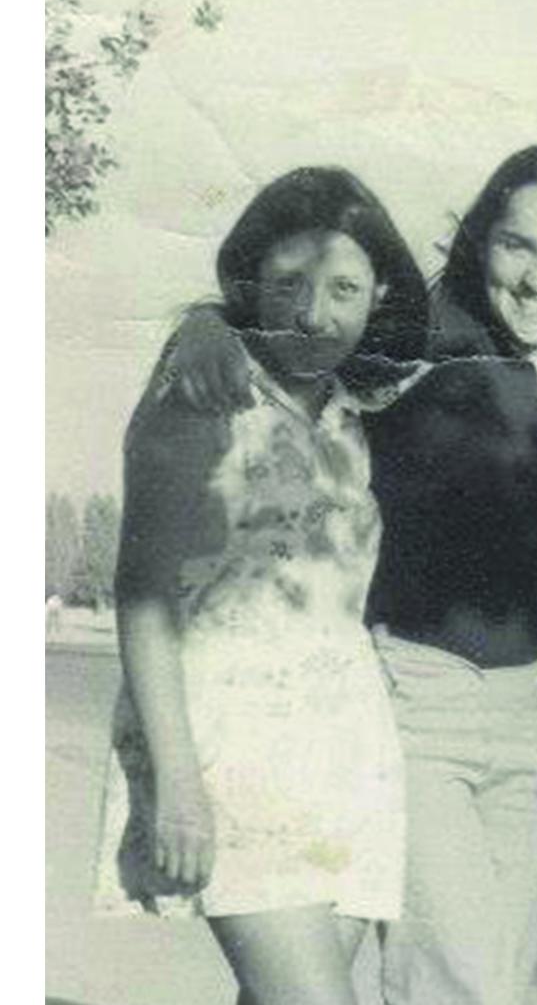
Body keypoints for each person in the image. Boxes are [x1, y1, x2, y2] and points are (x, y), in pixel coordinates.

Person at [155, 143, 537, 1005]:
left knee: (491, 977)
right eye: (516, 245)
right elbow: (296, 328)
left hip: (536, 723)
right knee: (464, 985)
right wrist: (205, 325)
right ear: (478, 240)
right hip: (412, 702)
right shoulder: (417, 343)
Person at [94, 167, 428, 1004]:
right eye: (288, 285)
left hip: (347, 754)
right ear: (249, 283)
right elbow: (142, 596)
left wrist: (201, 319)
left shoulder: (355, 408)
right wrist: (177, 785)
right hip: (225, 751)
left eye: (344, 288)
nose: (316, 315)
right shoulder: (202, 393)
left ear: (378, 291)